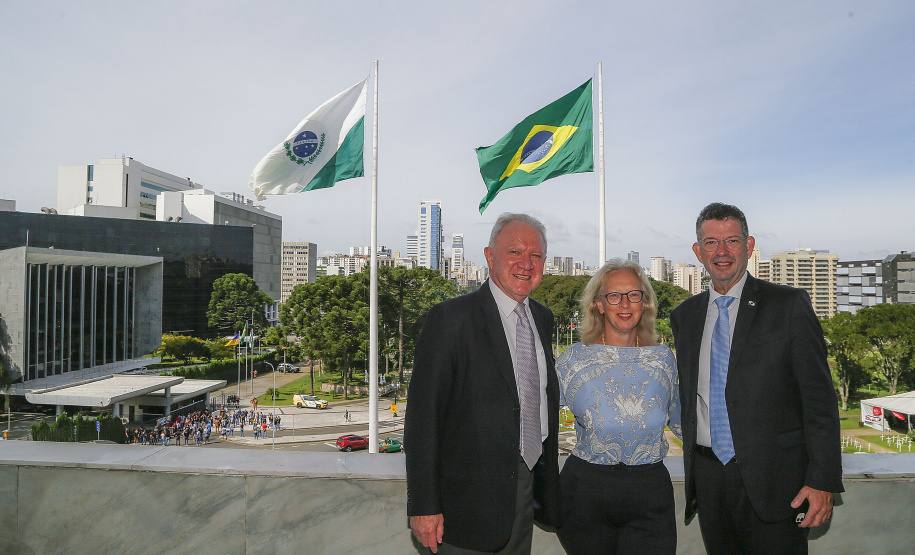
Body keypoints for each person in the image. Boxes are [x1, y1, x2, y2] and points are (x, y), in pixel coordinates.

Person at [670, 202, 843, 554]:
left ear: (749, 247)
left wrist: (822, 481)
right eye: (711, 243)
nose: (721, 252)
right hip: (710, 481)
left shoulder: (788, 305)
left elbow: (820, 401)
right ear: (697, 251)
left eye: (732, 241)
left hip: (778, 484)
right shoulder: (684, 317)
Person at [405, 213, 561, 554]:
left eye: (536, 256)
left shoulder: (543, 319)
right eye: (515, 253)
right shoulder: (450, 319)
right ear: (490, 257)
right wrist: (423, 505)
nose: (526, 264)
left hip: (525, 493)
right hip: (464, 509)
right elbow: (422, 420)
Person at [555, 260, 681, 554]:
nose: (624, 303)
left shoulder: (664, 360)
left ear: (645, 302)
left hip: (651, 495)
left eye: (634, 294)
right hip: (584, 495)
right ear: (598, 304)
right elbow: (533, 419)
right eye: (614, 295)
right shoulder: (572, 360)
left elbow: (684, 422)